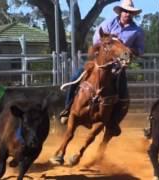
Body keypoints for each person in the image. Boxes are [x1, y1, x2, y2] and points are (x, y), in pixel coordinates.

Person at [59, 0, 144, 136]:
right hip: (100, 61)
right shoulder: (108, 24)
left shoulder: (137, 31)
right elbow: (96, 41)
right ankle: (67, 108)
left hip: (118, 66)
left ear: (133, 14)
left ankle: (112, 122)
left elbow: (140, 50)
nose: (127, 14)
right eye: (125, 11)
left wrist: (129, 50)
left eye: (130, 12)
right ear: (120, 11)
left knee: (122, 94)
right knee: (76, 77)